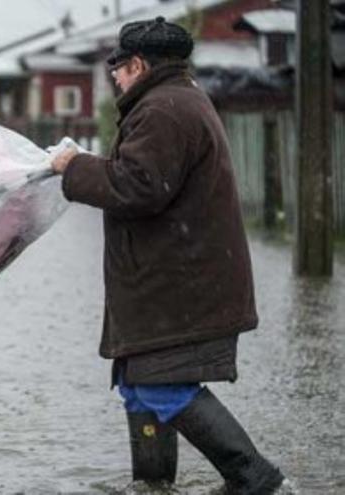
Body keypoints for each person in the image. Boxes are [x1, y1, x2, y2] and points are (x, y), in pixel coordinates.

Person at [51, 17, 287, 494]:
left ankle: (255, 479)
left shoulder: (163, 110)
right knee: (139, 385)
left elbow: (138, 186)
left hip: (178, 285)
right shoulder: (174, 100)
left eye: (117, 67)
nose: (114, 77)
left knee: (162, 386)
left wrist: (74, 168)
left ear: (137, 65)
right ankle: (154, 486)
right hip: (168, 281)